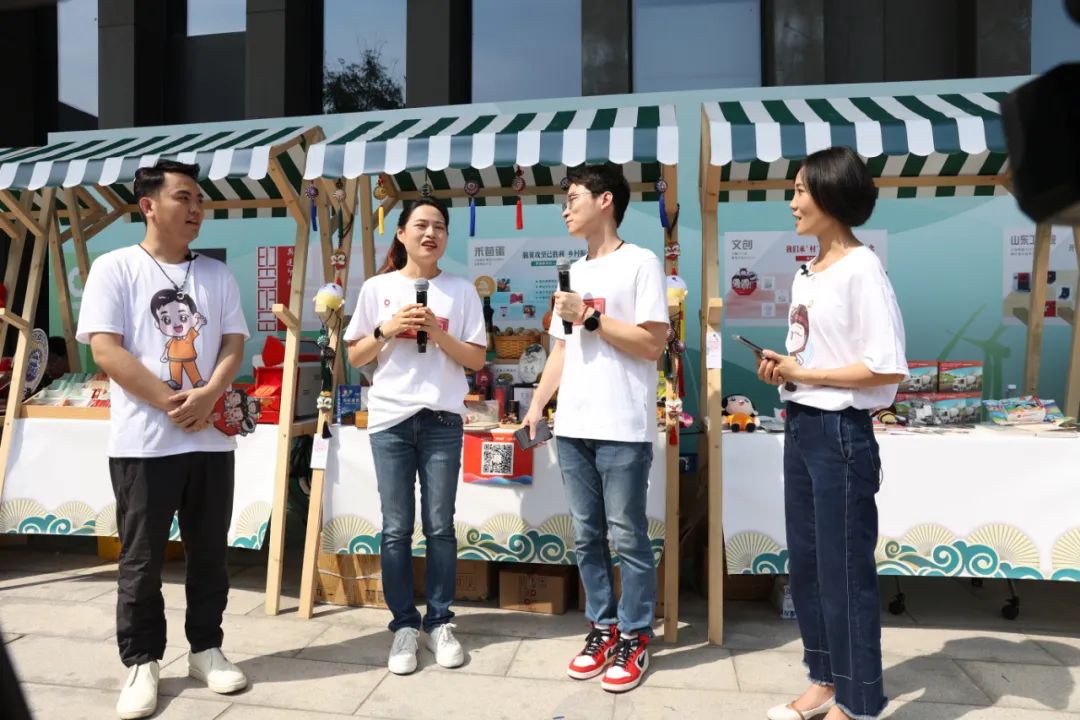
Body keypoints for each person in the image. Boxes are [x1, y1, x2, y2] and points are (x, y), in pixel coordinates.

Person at [76, 160, 250, 720]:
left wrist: (209, 394)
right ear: (148, 205)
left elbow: (232, 343)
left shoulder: (217, 276)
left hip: (209, 442)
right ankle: (142, 661)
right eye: (183, 197)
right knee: (142, 559)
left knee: (210, 553)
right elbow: (106, 349)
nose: (196, 208)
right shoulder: (115, 268)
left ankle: (206, 649)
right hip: (144, 442)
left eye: (200, 199)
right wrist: (173, 402)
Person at [756, 146, 907, 720]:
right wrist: (785, 370)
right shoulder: (808, 273)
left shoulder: (862, 268)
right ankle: (824, 678)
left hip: (841, 432)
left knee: (845, 571)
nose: (792, 202)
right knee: (809, 565)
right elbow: (811, 357)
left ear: (830, 194)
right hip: (802, 425)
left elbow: (886, 367)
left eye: (800, 190)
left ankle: (859, 700)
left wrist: (808, 375)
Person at [522, 163, 668, 693]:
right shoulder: (573, 273)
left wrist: (590, 316)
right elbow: (563, 350)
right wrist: (538, 404)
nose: (566, 209)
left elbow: (652, 343)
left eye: (574, 198)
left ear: (606, 201)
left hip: (623, 425)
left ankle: (635, 635)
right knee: (586, 536)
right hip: (573, 427)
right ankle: (602, 628)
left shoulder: (641, 263)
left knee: (627, 535)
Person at [344, 197, 486, 676]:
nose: (431, 234)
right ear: (401, 233)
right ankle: (404, 625)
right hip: (390, 421)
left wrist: (437, 333)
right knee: (396, 527)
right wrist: (388, 328)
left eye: (440, 226)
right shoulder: (377, 288)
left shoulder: (461, 291)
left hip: (442, 420)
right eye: (421, 225)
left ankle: (440, 621)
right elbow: (356, 356)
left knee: (440, 525)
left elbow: (476, 359)